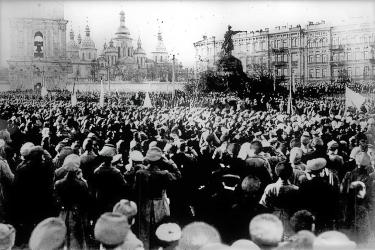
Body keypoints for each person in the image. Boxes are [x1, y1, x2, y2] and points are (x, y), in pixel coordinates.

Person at [134, 147, 181, 249]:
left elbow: (135, 190)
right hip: (160, 204)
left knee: (145, 232)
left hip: (144, 204)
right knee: (160, 231)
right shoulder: (164, 174)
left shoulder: (140, 173)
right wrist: (170, 163)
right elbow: (178, 175)